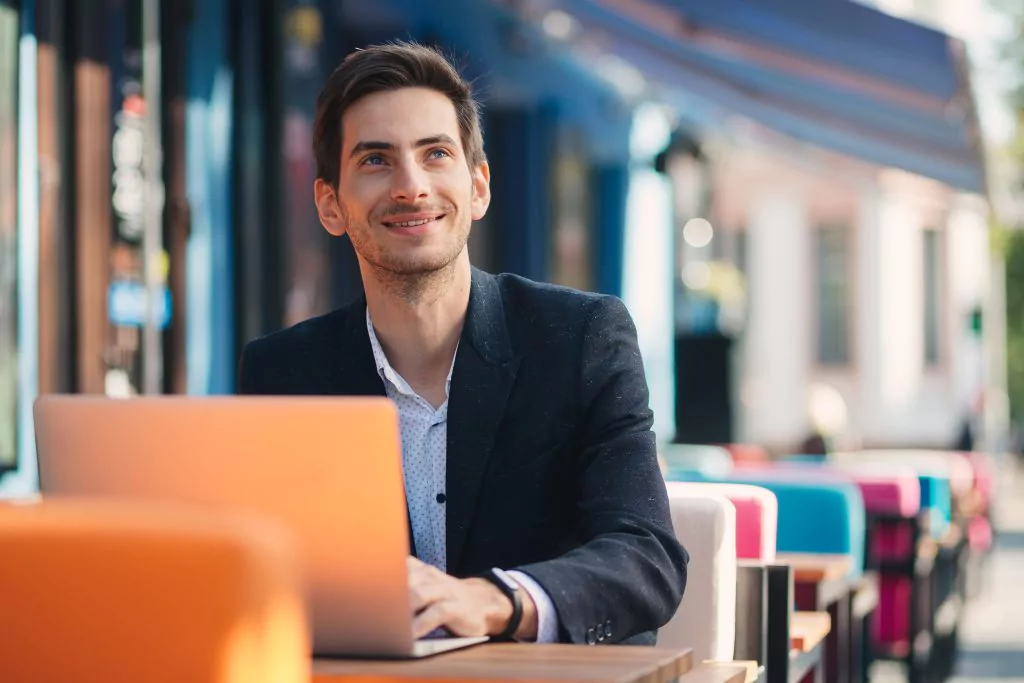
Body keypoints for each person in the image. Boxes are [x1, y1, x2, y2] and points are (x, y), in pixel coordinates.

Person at [238, 41, 687, 646]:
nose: (411, 186)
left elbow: (646, 555)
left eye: (436, 154)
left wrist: (496, 600)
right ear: (329, 205)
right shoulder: (283, 372)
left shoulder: (581, 339)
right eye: (376, 160)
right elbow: (262, 574)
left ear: (477, 187)